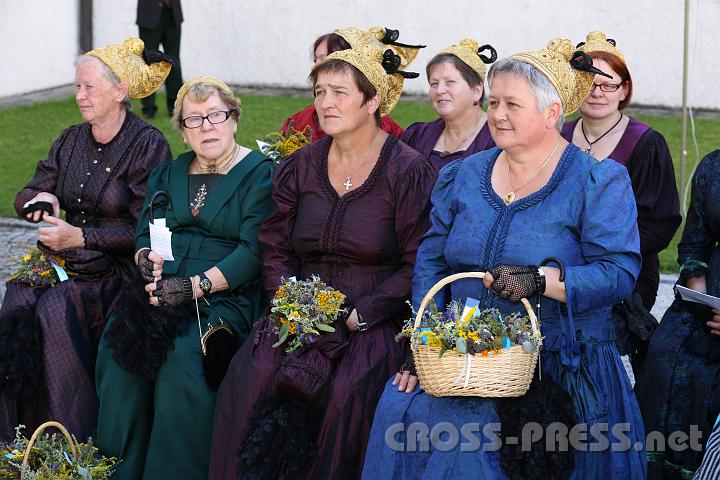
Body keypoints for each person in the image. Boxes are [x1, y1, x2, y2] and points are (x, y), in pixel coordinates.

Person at [363, 38, 646, 479]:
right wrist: (426, 341)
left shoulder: (598, 181)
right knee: (400, 408)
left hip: (559, 363)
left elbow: (618, 273)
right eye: (493, 102)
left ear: (552, 113)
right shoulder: (462, 174)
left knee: (477, 451)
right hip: (462, 358)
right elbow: (432, 262)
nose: (496, 115)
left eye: (512, 104)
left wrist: (542, 280)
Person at [209, 45, 437, 479]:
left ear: (373, 101)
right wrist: (291, 303)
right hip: (301, 314)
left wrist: (359, 316)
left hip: (368, 321)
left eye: (339, 92)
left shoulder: (407, 171)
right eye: (319, 91)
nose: (325, 103)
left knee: (344, 393)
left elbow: (418, 262)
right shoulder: (299, 166)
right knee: (255, 373)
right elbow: (275, 244)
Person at [94, 76, 274, 479]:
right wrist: (144, 258)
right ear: (182, 129)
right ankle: (117, 470)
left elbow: (253, 252)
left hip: (221, 298)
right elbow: (146, 231)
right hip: (161, 290)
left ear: (234, 119)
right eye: (194, 120)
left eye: (215, 115)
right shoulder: (168, 173)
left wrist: (194, 286)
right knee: (119, 348)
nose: (206, 126)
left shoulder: (259, 174)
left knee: (183, 359)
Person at [0, 37, 172, 441]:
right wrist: (40, 200)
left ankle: (66, 441)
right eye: (78, 86)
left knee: (55, 311)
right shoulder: (70, 138)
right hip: (62, 260)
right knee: (17, 296)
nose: (79, 96)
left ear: (120, 91)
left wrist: (81, 237)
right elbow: (25, 197)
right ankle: (15, 434)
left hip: (116, 270)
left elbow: (146, 229)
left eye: (88, 87)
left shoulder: (148, 145)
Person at [561, 32, 681, 311]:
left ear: (624, 90)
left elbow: (660, 222)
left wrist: (599, 256)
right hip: (559, 260)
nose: (597, 93)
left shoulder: (646, 143)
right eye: (588, 84)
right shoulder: (557, 137)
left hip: (627, 266)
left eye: (608, 85)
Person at [634, 149, 720, 479]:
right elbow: (695, 242)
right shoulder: (712, 166)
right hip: (710, 298)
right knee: (664, 351)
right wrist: (699, 287)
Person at [280, 26, 424, 142]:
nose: (316, 67)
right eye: (316, 60)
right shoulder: (300, 121)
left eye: (327, 59)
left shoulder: (385, 131)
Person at [401, 38, 497, 171]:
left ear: (477, 90)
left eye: (450, 82)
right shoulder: (417, 136)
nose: (440, 90)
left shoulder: (497, 140)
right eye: (434, 83)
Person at [137, 0, 183, 118]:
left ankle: (176, 107)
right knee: (148, 61)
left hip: (172, 13)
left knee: (173, 62)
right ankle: (148, 108)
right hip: (149, 14)